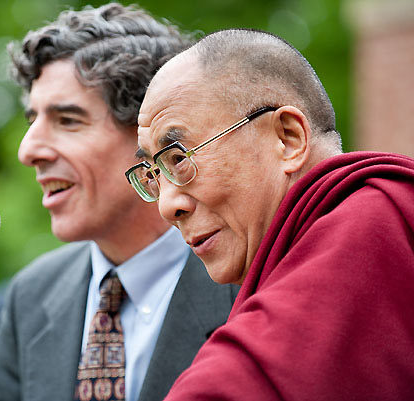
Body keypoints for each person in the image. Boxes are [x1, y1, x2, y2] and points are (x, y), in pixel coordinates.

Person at [125, 28, 414, 400]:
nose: (168, 206)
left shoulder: (373, 223)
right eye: (152, 174)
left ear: (287, 139)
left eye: (179, 159)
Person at [0, 4, 238, 401]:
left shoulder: (252, 281)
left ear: (152, 138)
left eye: (68, 120)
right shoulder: (31, 298)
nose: (28, 150)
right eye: (32, 120)